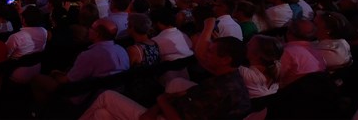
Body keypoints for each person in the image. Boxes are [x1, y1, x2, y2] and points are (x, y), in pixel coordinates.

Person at [78, 35, 250, 120]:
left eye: (211, 52)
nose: (206, 54)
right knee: (102, 115)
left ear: (226, 59)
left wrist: (162, 102)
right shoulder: (232, 79)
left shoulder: (217, 89)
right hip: (180, 110)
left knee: (106, 96)